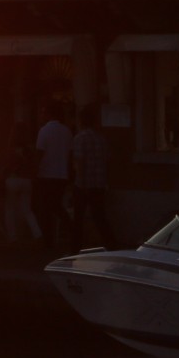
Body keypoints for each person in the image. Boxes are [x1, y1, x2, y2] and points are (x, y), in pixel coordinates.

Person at [69, 105, 114, 250]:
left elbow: (80, 162)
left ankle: (75, 248)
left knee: (78, 218)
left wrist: (79, 183)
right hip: (99, 184)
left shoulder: (79, 138)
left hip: (83, 184)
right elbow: (107, 162)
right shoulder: (101, 139)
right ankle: (111, 244)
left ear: (81, 121)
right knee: (100, 216)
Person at [35, 103, 73, 248]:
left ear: (49, 114)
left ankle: (48, 239)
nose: (41, 116)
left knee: (44, 208)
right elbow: (70, 155)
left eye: (43, 113)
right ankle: (70, 227)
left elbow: (39, 153)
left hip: (46, 174)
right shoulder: (67, 131)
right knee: (56, 205)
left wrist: (35, 170)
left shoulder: (44, 131)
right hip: (61, 174)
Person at [1, 140, 41, 242]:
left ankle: (12, 237)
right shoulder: (29, 151)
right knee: (27, 210)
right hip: (26, 181)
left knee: (9, 209)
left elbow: (7, 167)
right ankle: (37, 233)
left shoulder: (11, 151)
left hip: (13, 180)